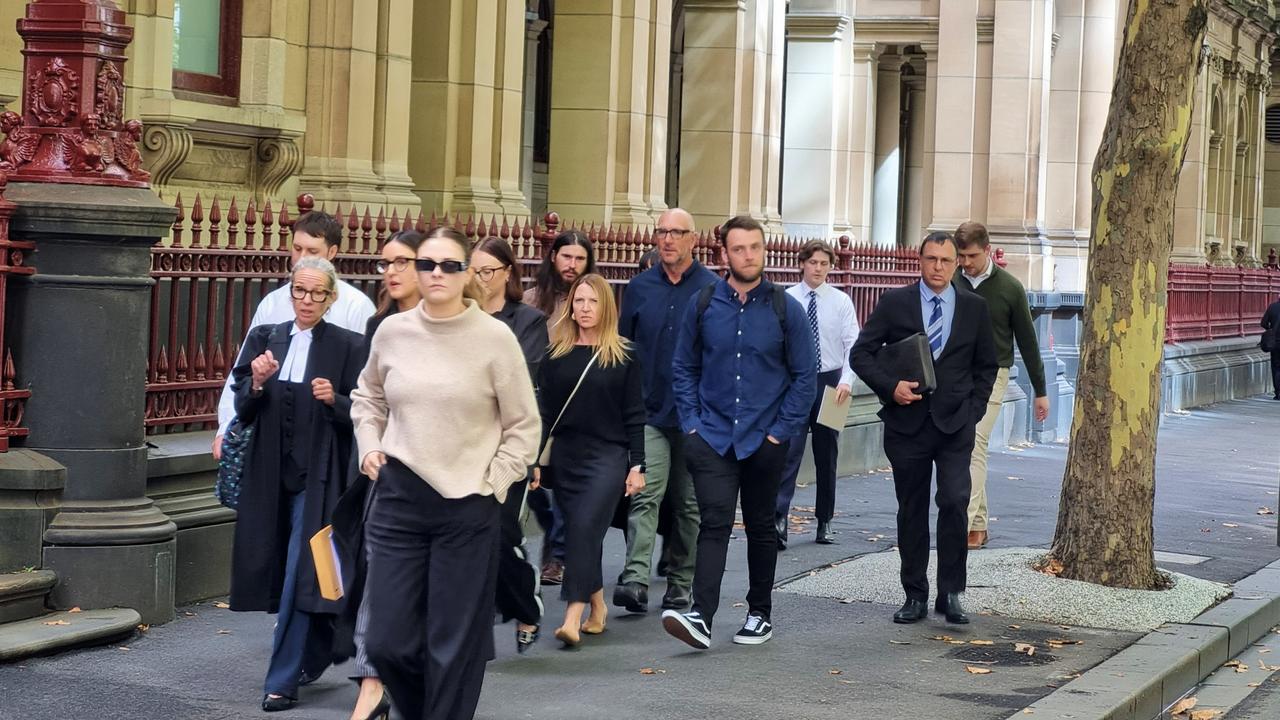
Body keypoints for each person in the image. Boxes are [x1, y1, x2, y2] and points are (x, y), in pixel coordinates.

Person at [351, 227, 540, 720]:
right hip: (398, 498)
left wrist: (494, 483)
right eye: (427, 264)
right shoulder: (392, 331)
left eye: (450, 265)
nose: (437, 273)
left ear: (466, 274)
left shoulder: (494, 339)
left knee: (451, 644)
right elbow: (367, 397)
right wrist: (369, 446)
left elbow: (524, 425)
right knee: (387, 641)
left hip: (467, 505)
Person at [663, 215, 815, 650]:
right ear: (724, 253)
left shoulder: (787, 309)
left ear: (764, 251)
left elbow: (804, 376)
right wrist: (691, 425)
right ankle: (701, 617)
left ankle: (759, 613)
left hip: (765, 438)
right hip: (711, 435)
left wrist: (780, 431)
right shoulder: (705, 303)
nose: (748, 255)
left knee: (761, 526)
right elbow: (684, 367)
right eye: (739, 248)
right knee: (714, 523)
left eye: (755, 247)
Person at [226, 257, 365, 713]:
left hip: (320, 479)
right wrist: (259, 383)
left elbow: (365, 413)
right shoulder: (266, 337)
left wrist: (336, 401)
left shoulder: (348, 345)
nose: (306, 300)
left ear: (331, 297)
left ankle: (281, 681)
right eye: (299, 291)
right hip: (269, 478)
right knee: (282, 571)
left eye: (316, 293)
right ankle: (321, 645)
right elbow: (243, 406)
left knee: (300, 576)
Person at [850, 231, 997, 626]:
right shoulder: (895, 303)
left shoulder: (974, 307)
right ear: (920, 260)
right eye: (931, 259)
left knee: (953, 501)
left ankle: (951, 593)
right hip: (907, 423)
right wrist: (889, 386)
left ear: (957, 264)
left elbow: (987, 365)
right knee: (911, 509)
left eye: (946, 261)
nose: (938, 267)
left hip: (955, 426)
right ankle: (914, 593)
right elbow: (861, 353)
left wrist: (974, 410)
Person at [333, 229, 426, 720]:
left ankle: (404, 676)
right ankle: (371, 684)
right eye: (384, 263)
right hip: (383, 470)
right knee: (375, 571)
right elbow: (366, 399)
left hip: (438, 476)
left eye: (400, 262)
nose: (389, 272)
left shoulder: (443, 324)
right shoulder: (379, 325)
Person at [613, 208, 717, 614]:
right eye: (662, 232)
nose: (668, 239)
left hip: (695, 415)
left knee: (688, 503)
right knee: (646, 495)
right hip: (649, 411)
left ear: (694, 239)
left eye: (677, 232)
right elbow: (623, 348)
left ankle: (680, 582)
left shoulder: (711, 288)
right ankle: (635, 578)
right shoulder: (639, 288)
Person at [535, 273, 646, 647]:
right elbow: (546, 414)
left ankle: (572, 615)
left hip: (608, 457)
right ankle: (597, 606)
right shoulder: (556, 355)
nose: (584, 308)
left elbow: (635, 414)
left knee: (583, 528)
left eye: (592, 302)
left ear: (606, 307)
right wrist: (535, 461)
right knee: (584, 535)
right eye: (579, 301)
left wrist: (637, 465)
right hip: (567, 456)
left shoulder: (624, 355)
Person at [212, 210, 376, 459]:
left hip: (325, 441)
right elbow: (242, 370)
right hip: (271, 436)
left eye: (312, 251)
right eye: (297, 249)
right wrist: (226, 426)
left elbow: (366, 381)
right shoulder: (273, 303)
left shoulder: (356, 306)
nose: (301, 258)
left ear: (332, 253)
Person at [472, 236, 550, 653]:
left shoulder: (527, 321)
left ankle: (526, 605)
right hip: (465, 444)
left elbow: (522, 385)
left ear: (507, 273)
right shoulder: (459, 316)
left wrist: (532, 457)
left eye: (488, 271)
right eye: (474, 270)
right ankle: (474, 631)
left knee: (501, 535)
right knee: (470, 538)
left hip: (508, 446)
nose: (480, 279)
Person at [953, 221, 1050, 550]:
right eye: (961, 255)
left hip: (994, 374)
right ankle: (978, 526)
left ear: (987, 249)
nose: (965, 262)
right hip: (955, 375)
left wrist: (1041, 391)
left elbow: (1027, 340)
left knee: (973, 443)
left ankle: (961, 524)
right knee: (962, 445)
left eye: (971, 255)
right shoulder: (951, 282)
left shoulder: (1009, 287)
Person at [776, 239, 859, 548]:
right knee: (789, 450)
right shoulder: (787, 299)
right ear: (802, 263)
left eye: (824, 264)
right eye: (813, 263)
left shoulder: (841, 301)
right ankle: (779, 517)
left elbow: (853, 344)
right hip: (797, 382)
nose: (818, 269)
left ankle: (825, 520)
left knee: (828, 454)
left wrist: (847, 381)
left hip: (831, 381)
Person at [523, 229, 595, 322]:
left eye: (580, 258)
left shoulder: (599, 302)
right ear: (553, 256)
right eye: (566, 257)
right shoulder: (530, 301)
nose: (572, 265)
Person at [1261, 297, 1280, 399]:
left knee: (1276, 367)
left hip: (1275, 343)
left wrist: (1271, 330)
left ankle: (1278, 393)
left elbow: (1263, 323)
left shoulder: (1272, 307)